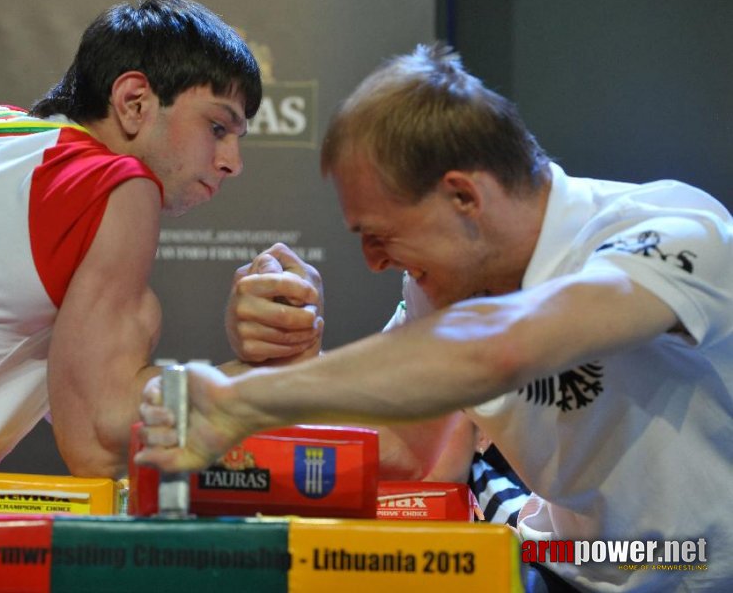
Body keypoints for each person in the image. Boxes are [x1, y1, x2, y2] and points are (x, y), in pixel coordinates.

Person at [137, 43, 733, 592]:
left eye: (381, 235)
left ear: (464, 198)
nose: (373, 263)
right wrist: (285, 360)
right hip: (564, 567)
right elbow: (411, 447)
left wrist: (249, 400)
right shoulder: (440, 285)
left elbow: (501, 346)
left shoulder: (675, 230)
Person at [0, 0, 270, 514]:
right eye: (217, 128)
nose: (232, 162)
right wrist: (274, 376)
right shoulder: (112, 184)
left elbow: (69, 391)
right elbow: (98, 440)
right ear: (134, 102)